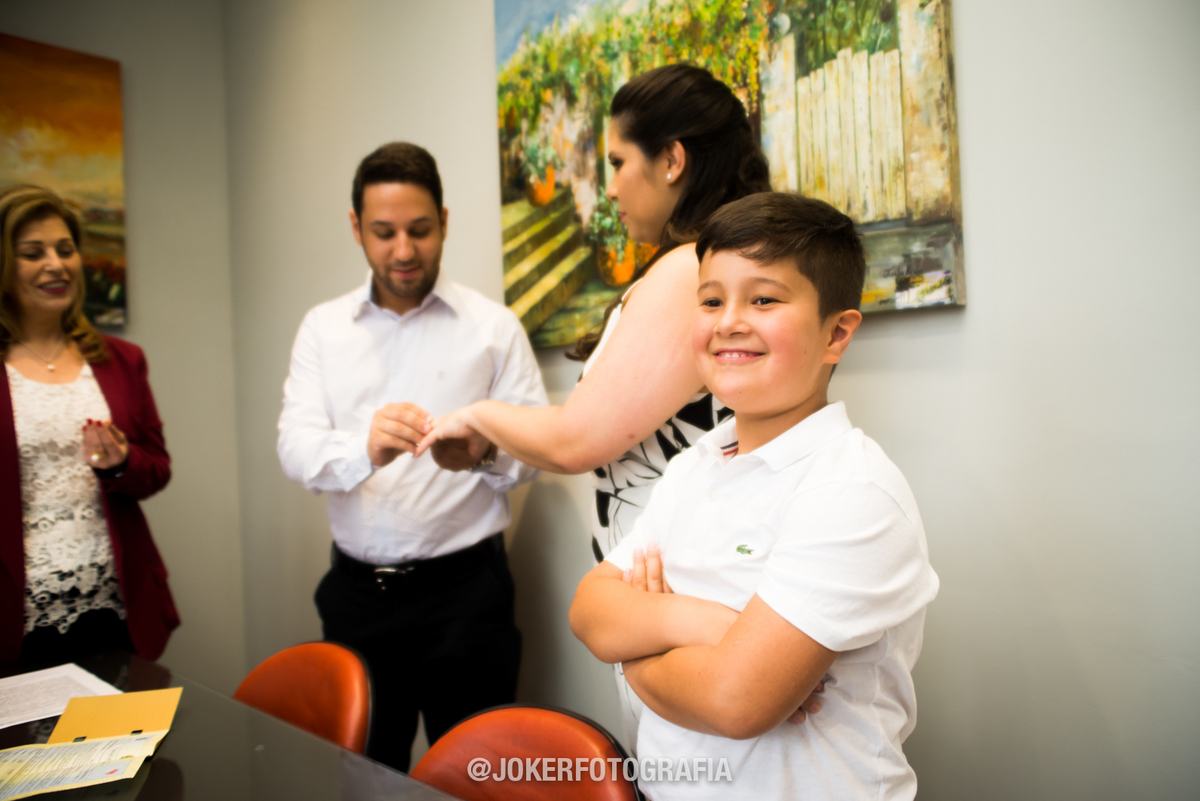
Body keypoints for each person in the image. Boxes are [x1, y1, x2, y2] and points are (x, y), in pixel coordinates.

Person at [413, 64, 775, 744]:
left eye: (616, 161)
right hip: (674, 586)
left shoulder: (684, 270)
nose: (607, 186)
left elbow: (579, 438)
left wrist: (477, 414)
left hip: (674, 590)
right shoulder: (704, 264)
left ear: (673, 160)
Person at [569, 192, 940, 800]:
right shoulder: (694, 467)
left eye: (764, 299)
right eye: (711, 299)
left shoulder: (851, 490)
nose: (728, 321)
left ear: (836, 334)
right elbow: (589, 610)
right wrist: (710, 625)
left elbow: (735, 701)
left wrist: (634, 656)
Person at [276, 142, 548, 772]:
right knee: (365, 777)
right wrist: (362, 449)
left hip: (468, 599)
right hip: (355, 598)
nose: (403, 250)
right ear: (356, 229)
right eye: (384, 232)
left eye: (420, 230)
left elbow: (534, 452)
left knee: (479, 775)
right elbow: (295, 448)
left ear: (445, 223)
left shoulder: (493, 327)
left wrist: (481, 456)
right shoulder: (323, 329)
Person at [0, 185, 177, 667]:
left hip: (114, 607)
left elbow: (157, 469)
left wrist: (120, 463)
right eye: (32, 253)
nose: (55, 264)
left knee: (127, 744)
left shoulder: (121, 360)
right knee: (29, 746)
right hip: (17, 619)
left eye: (66, 249)